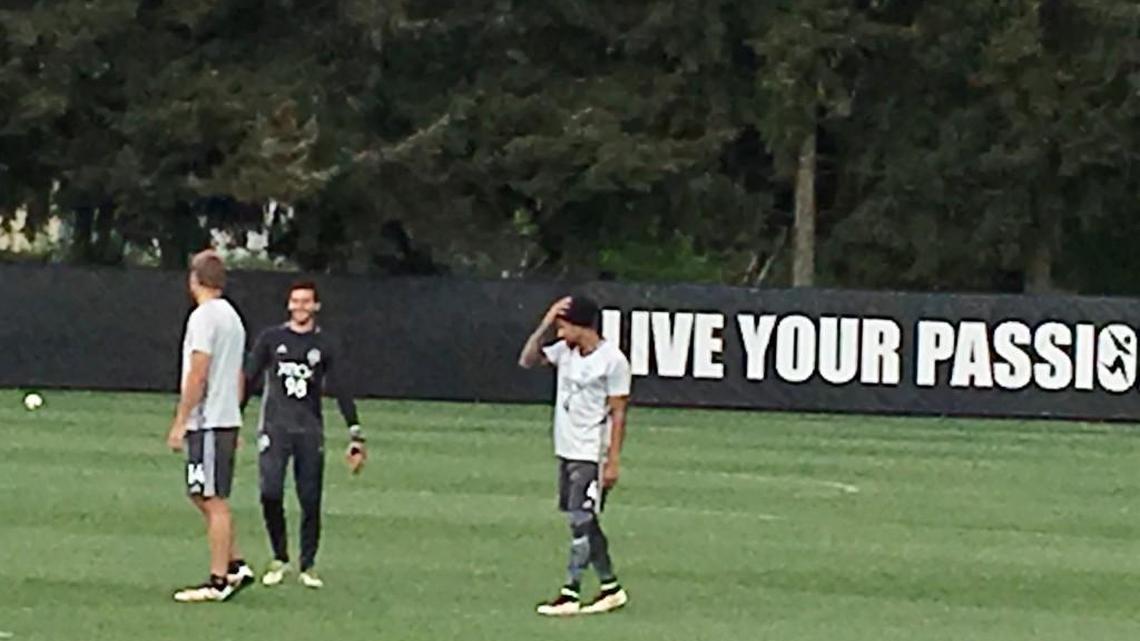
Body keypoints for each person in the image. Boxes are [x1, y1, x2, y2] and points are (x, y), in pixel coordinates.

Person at [243, 280, 367, 589]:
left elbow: (340, 387)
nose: (300, 306)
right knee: (270, 492)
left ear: (315, 306)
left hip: (309, 429)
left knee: (310, 498)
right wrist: (235, 415)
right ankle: (279, 557)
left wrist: (355, 431)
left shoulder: (325, 344)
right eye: (295, 301)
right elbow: (248, 377)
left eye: (306, 301)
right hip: (275, 427)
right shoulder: (271, 339)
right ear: (289, 305)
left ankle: (308, 565)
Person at [518, 295, 632, 616]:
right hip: (566, 448)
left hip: (590, 451)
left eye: (563, 325)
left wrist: (612, 459)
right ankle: (611, 587)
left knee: (582, 519)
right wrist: (544, 321)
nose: (559, 332)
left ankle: (571, 591)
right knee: (581, 520)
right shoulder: (565, 352)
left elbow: (619, 412)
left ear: (581, 325)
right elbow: (527, 359)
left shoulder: (612, 361)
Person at [168, 250, 255, 603]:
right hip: (224, 418)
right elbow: (237, 374)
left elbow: (199, 370)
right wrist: (235, 414)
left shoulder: (203, 318)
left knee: (212, 498)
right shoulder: (233, 317)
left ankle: (219, 579)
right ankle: (235, 564)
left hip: (208, 420)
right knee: (200, 492)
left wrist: (181, 419)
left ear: (194, 280)